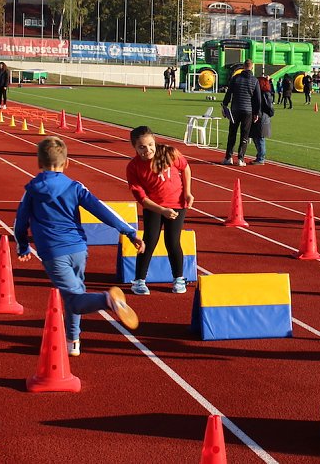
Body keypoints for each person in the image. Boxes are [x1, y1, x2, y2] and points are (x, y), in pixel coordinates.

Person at [14, 136, 144, 357]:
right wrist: (129, 231)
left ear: (39, 162)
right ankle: (73, 340)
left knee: (74, 299)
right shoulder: (75, 187)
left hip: (54, 252)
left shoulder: (32, 190)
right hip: (78, 249)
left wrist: (23, 246)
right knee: (74, 294)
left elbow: (20, 222)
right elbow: (101, 209)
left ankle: (108, 300)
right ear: (67, 163)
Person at [126, 126, 194, 295]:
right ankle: (139, 281)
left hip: (177, 204)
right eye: (141, 147)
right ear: (134, 147)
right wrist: (162, 210)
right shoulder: (133, 168)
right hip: (154, 208)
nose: (147, 150)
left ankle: (179, 279)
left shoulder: (169, 153)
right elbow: (142, 199)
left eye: (150, 145)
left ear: (155, 142)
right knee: (149, 241)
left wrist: (187, 192)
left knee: (172, 242)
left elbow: (185, 167)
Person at [221, 59, 261, 166]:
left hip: (235, 109)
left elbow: (229, 94)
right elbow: (257, 99)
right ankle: (240, 158)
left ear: (243, 66)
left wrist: (224, 106)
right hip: (248, 110)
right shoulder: (255, 81)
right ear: (252, 67)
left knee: (232, 133)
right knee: (245, 135)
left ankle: (228, 157)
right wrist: (256, 113)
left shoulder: (235, 78)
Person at [249, 76, 275, 165]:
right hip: (259, 115)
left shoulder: (265, 93)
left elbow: (269, 106)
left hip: (263, 116)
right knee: (256, 137)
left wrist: (269, 114)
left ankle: (261, 158)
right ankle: (259, 156)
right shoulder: (258, 93)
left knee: (260, 138)